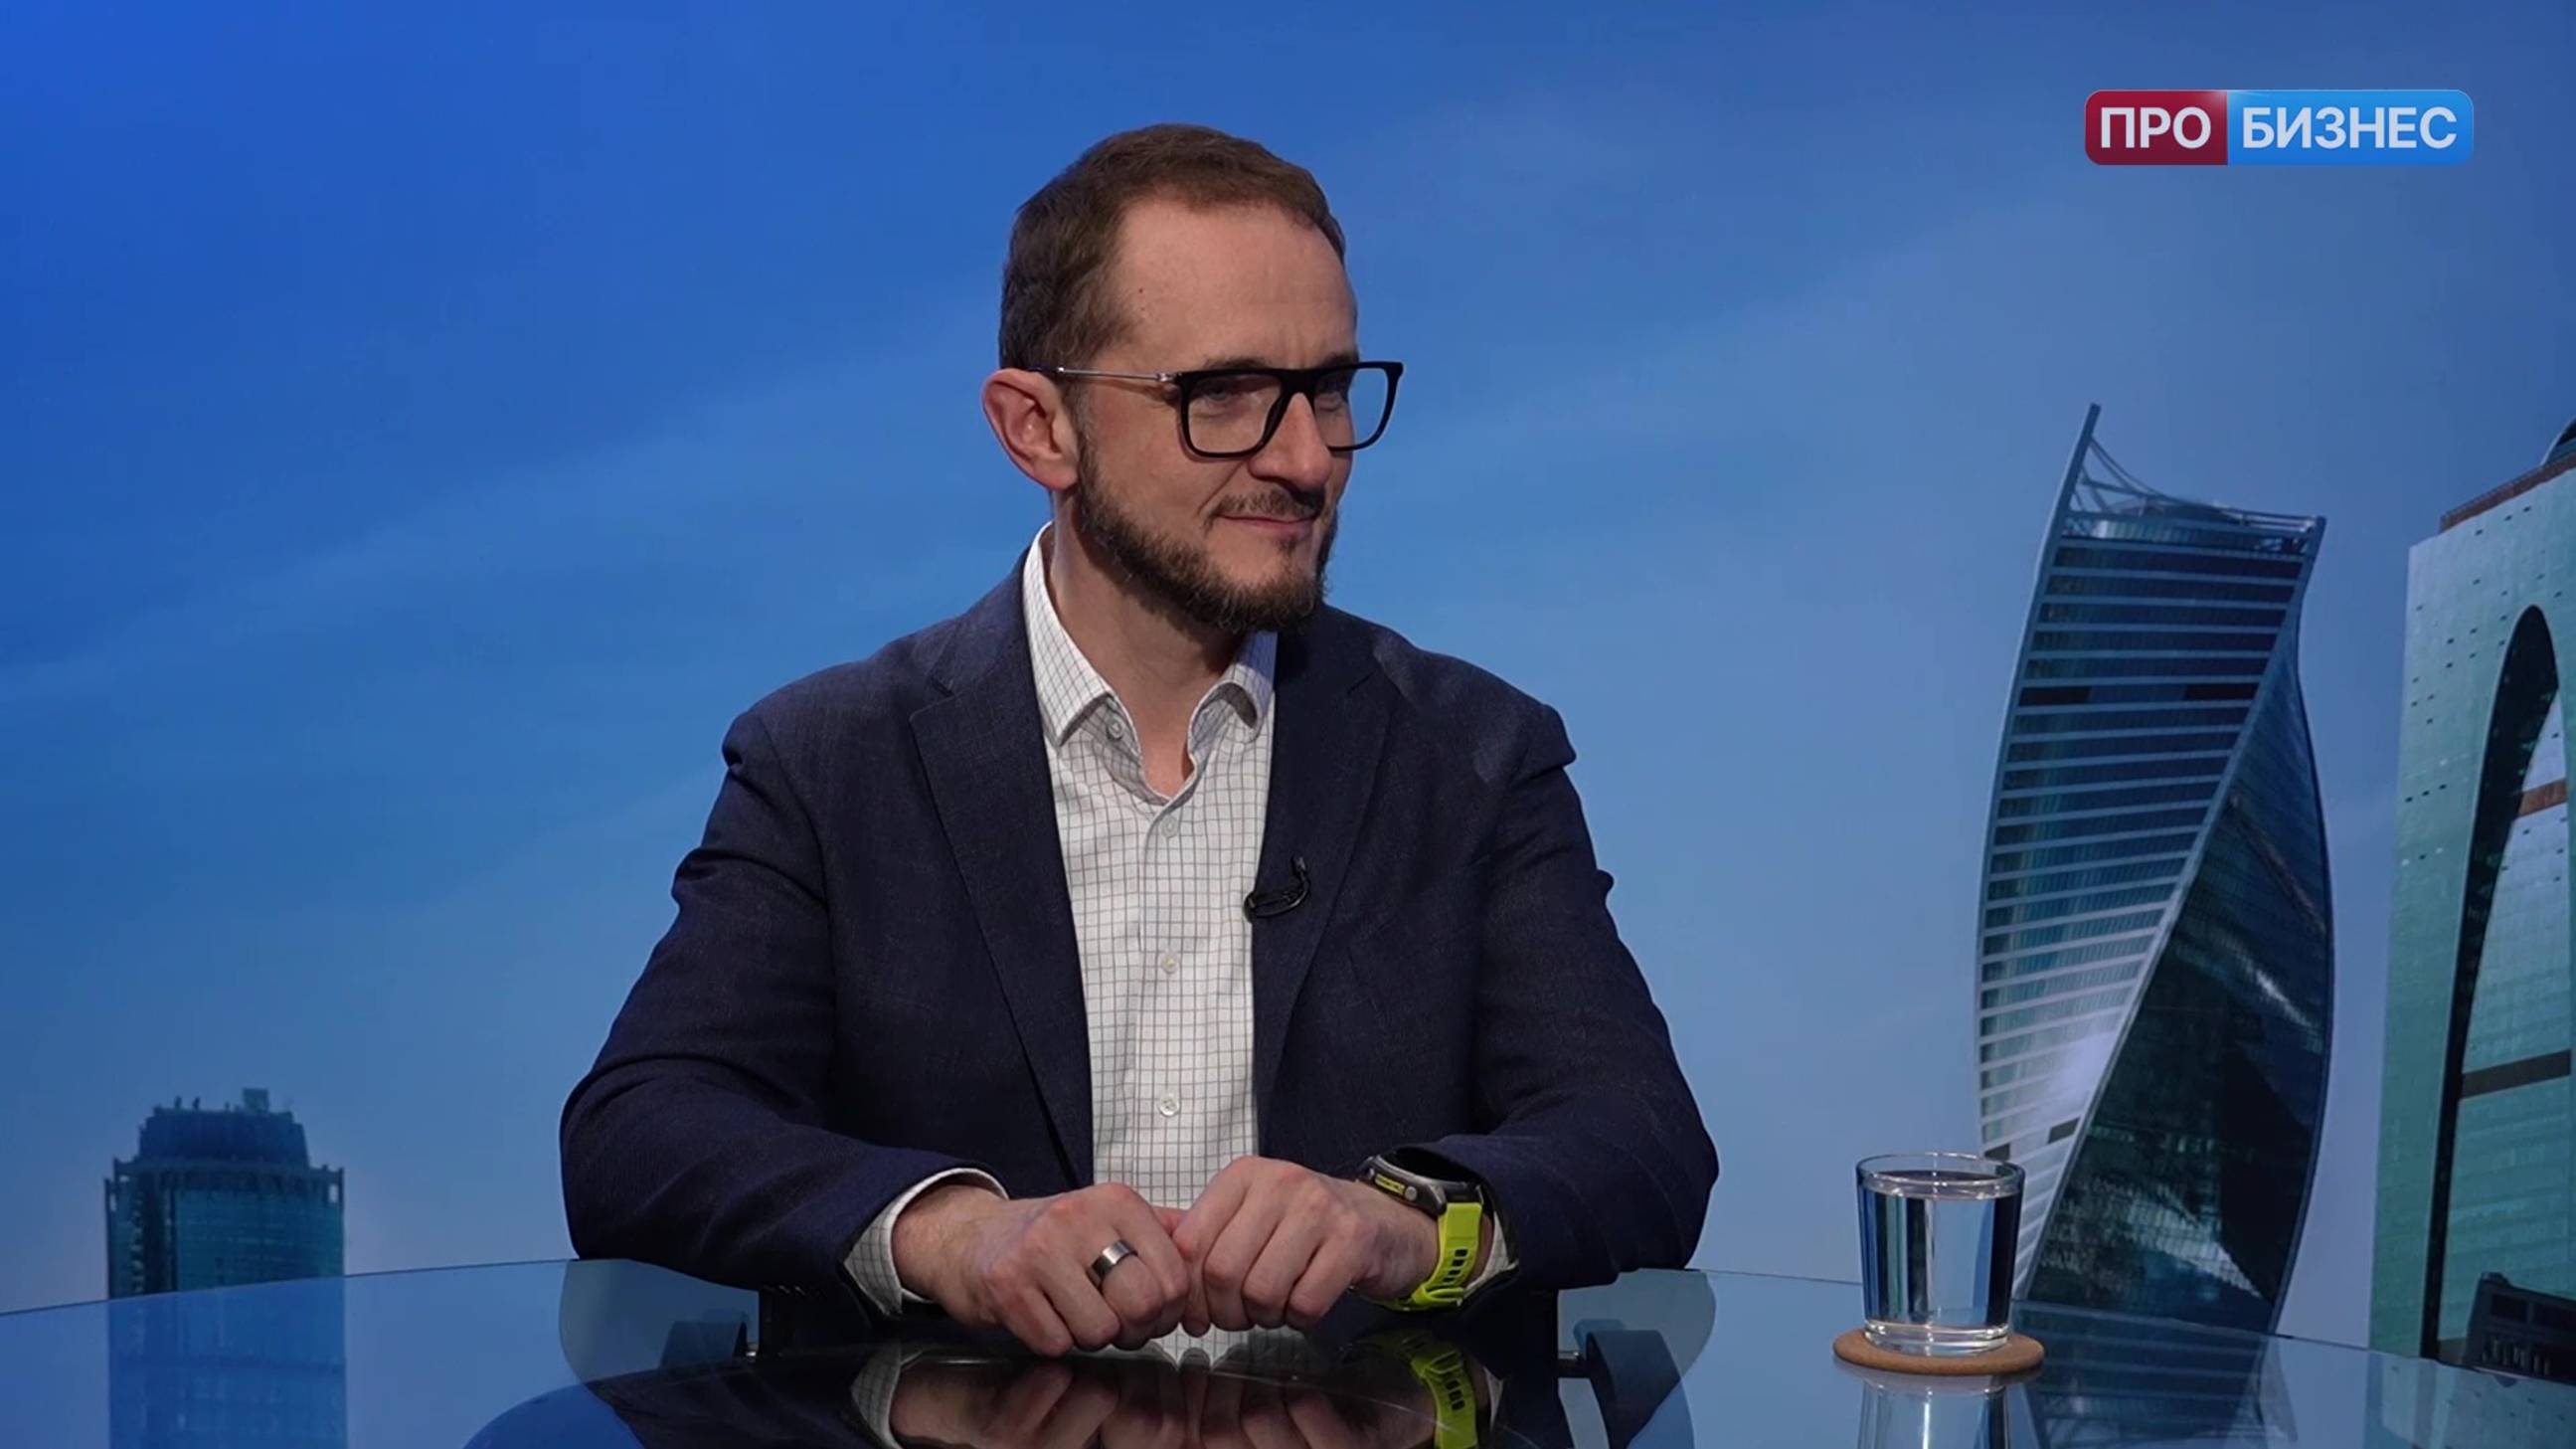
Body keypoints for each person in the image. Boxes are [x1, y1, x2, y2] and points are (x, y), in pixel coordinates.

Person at [561, 123, 1716, 1358]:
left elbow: (1639, 1139)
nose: (1305, 458)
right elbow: (639, 1129)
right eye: (1222, 396)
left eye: (1328, 389)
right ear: (1037, 428)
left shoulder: (1472, 756)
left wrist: (1405, 1222)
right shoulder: (830, 762)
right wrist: (949, 1233)